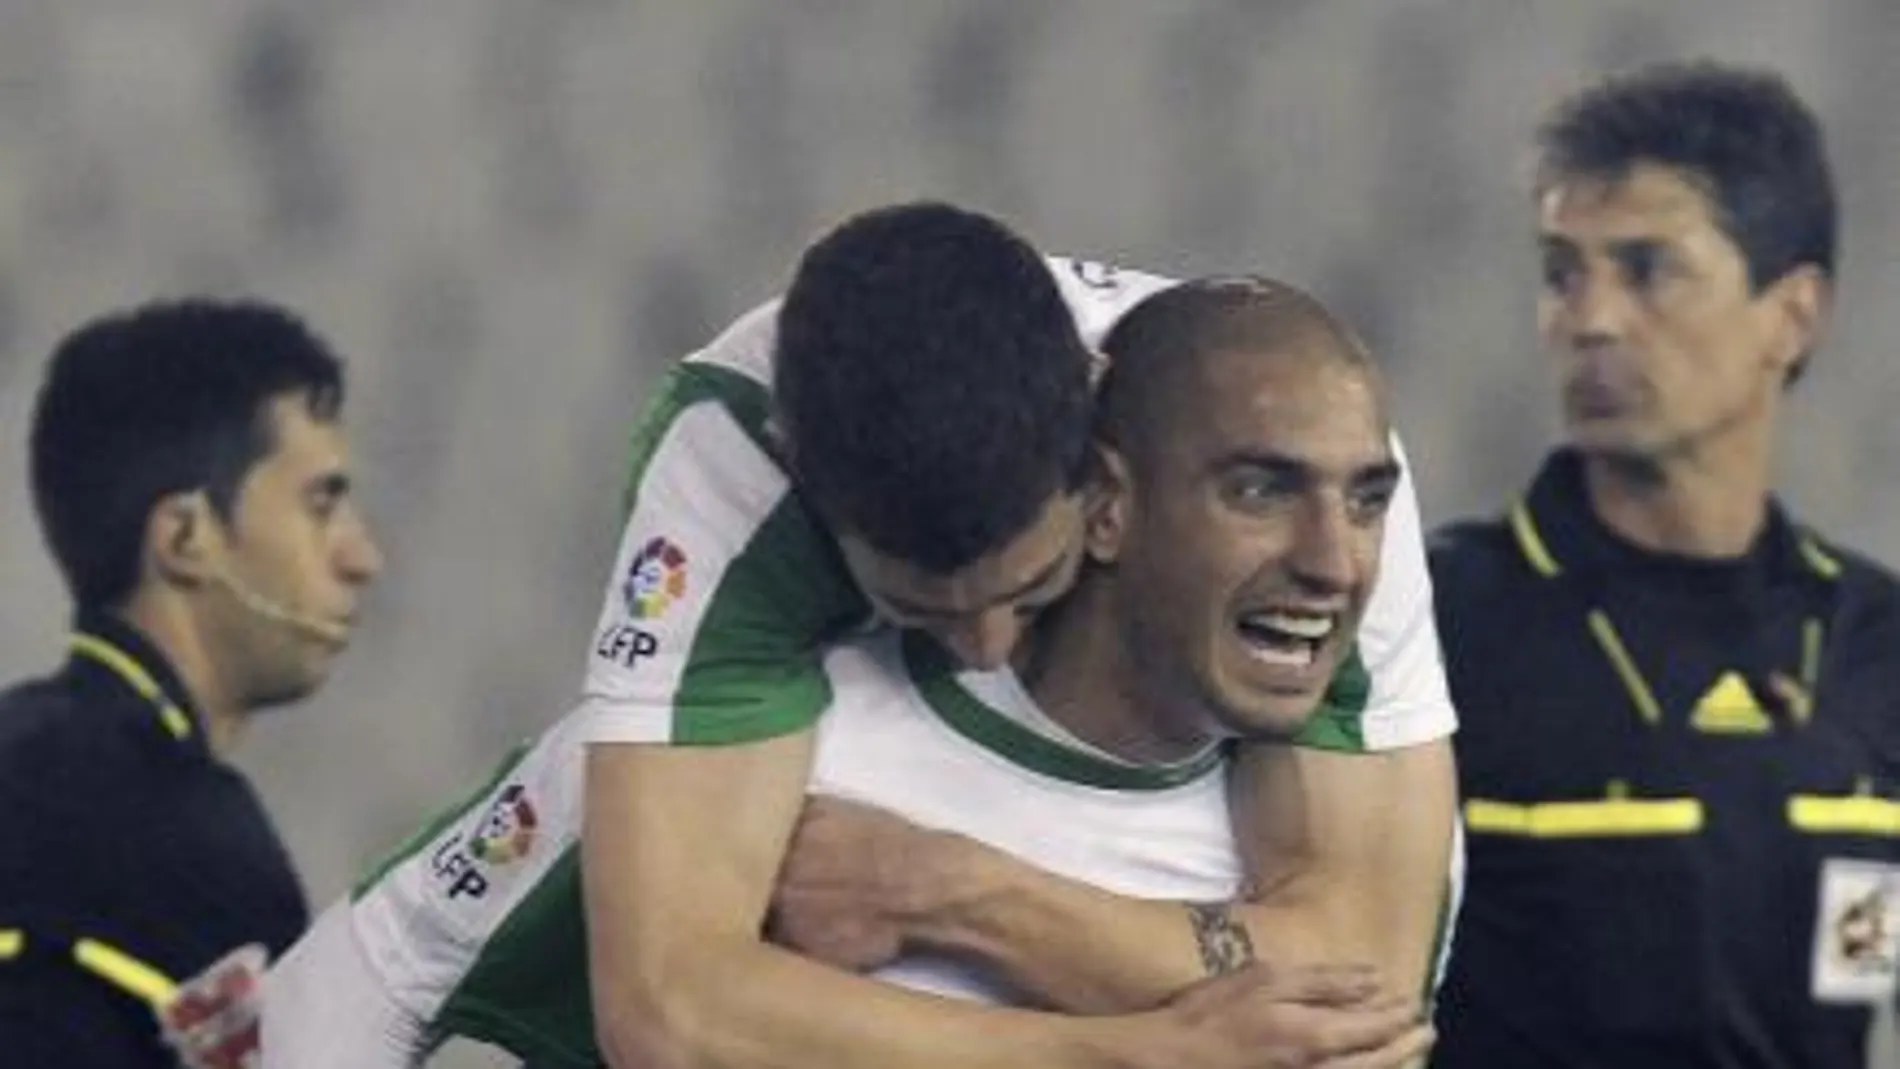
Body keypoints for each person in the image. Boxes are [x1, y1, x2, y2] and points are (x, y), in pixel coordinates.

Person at [262, 202, 1457, 1065]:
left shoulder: (1309, 466)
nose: (984, 647)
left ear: (1104, 494)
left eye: (1026, 587)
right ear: (813, 515)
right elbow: (670, 1009)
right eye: (923, 611)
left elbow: (1360, 985)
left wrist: (951, 892)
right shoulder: (736, 487)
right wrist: (1118, 1054)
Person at [1428, 61, 1900, 1069]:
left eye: (1645, 268)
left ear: (1793, 314)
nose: (1588, 319)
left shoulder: (1876, 641)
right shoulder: (1432, 621)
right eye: (1562, 272)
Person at [0, 299, 383, 1067]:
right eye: (321, 503)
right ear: (184, 536)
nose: (362, 556)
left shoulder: (24, 754)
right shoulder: (182, 834)